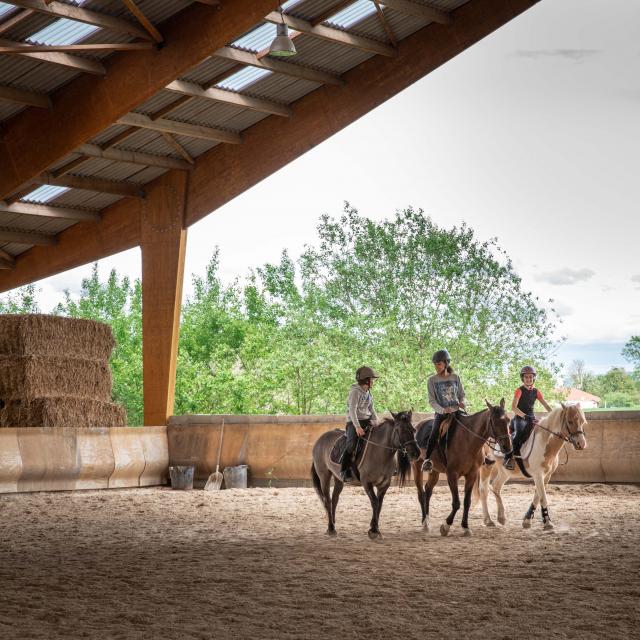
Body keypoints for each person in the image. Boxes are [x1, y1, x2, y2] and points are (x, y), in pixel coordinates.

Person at [421, 350, 466, 472]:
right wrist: (442, 410)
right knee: (434, 432)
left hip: (456, 411)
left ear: (446, 363)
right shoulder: (432, 380)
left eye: (439, 364)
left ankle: (482, 456)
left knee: (472, 427)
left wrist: (463, 403)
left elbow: (462, 395)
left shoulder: (455, 377)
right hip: (442, 414)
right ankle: (427, 459)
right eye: (435, 364)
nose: (436, 367)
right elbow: (432, 400)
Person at [503, 365, 552, 470]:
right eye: (526, 377)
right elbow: (514, 407)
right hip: (520, 418)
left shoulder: (536, 391)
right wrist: (525, 417)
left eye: (530, 377)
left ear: (533, 378)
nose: (529, 379)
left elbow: (546, 405)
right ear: (523, 378)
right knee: (518, 435)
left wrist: (554, 414)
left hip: (531, 417)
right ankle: (509, 458)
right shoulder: (519, 390)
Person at [341, 366, 379, 482]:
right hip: (354, 421)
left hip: (366, 420)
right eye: (372, 379)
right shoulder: (355, 392)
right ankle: (345, 471)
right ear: (366, 380)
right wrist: (357, 427)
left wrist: (377, 420)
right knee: (351, 446)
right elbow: (352, 410)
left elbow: (371, 409)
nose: (373, 382)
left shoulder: (368, 392)